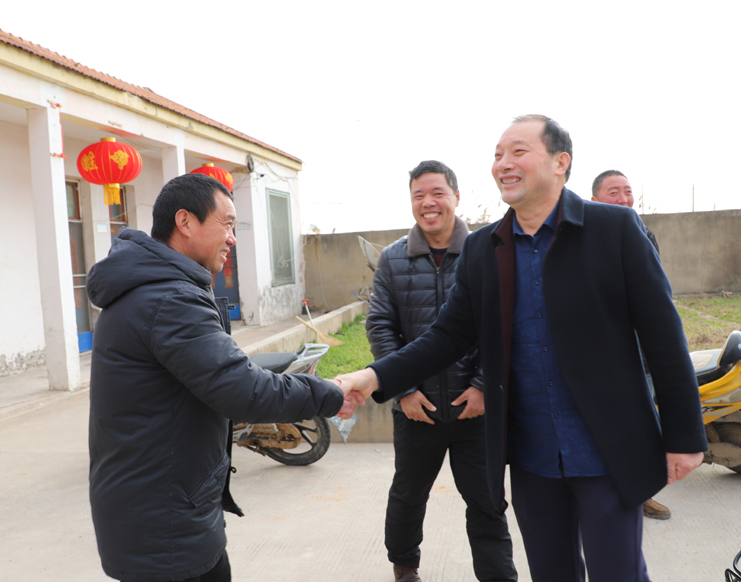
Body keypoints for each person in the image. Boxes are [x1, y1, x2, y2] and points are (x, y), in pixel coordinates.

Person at [336, 115, 707, 582]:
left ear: (560, 162)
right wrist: (371, 377)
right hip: (532, 454)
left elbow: (663, 335)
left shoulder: (614, 229)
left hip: (606, 448)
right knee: (550, 572)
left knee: (618, 573)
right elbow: (447, 336)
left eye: (518, 151)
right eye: (497, 155)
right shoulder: (484, 249)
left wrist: (684, 436)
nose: (503, 164)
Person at [87, 173, 352, 582]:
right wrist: (330, 393)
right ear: (185, 222)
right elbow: (244, 392)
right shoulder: (168, 299)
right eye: (226, 224)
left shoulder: (156, 288)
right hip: (162, 522)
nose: (232, 238)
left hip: (162, 507)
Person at [366, 160, 516, 582]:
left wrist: (483, 385)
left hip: (476, 409)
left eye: (437, 193)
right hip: (419, 409)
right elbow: (380, 326)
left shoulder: (487, 251)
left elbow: (504, 322)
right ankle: (404, 568)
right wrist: (405, 390)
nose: (428, 203)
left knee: (487, 502)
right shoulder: (393, 259)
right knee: (408, 496)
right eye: (419, 195)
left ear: (456, 197)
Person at [591, 169, 670, 520]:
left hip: (641, 349)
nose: (623, 198)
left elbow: (655, 296)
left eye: (627, 191)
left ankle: (642, 492)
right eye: (613, 192)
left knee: (643, 423)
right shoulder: (583, 240)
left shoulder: (644, 235)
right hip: (603, 351)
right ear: (594, 200)